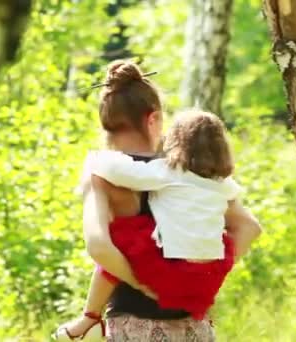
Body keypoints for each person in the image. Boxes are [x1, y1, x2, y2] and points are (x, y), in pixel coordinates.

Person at [54, 61, 262, 341]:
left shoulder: (104, 174)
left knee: (127, 238)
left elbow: (99, 246)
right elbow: (249, 227)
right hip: (194, 322)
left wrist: (144, 283)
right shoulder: (196, 172)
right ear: (153, 119)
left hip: (135, 325)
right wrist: (204, 273)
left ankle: (88, 319)